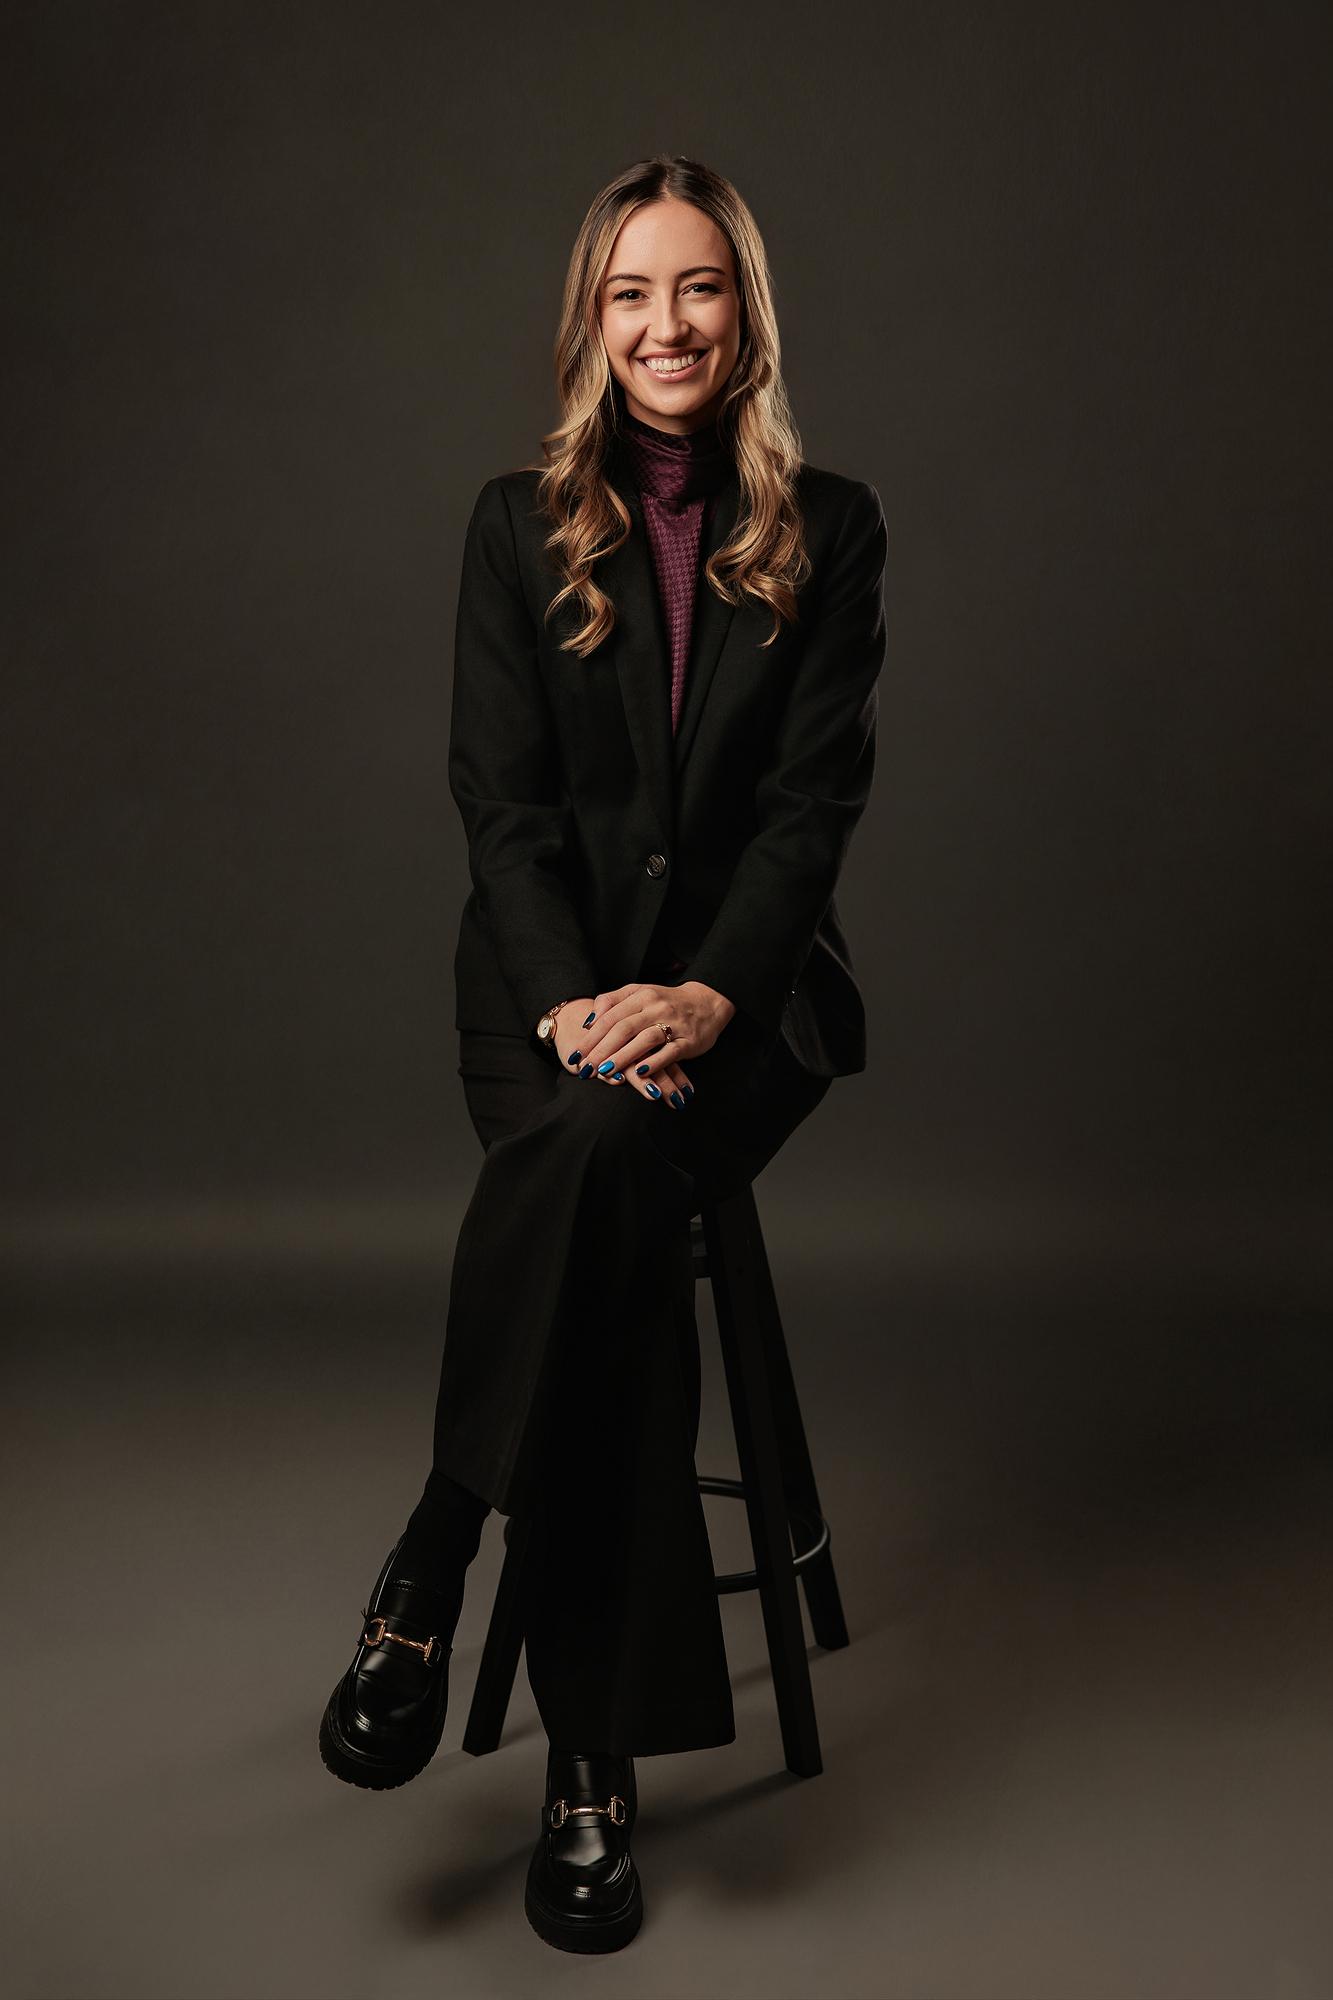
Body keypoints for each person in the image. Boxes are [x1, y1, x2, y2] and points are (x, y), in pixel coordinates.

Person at [317, 152, 887, 1956]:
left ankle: (435, 1550)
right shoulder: (515, 526)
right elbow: (499, 805)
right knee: (606, 1184)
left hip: (743, 1005)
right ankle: (591, 1767)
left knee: (608, 1170)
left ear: (744, 314)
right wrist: (572, 1003)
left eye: (698, 286)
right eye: (632, 292)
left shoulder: (832, 527)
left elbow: (808, 813)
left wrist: (707, 996)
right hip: (541, 1000)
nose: (666, 324)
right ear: (591, 322)